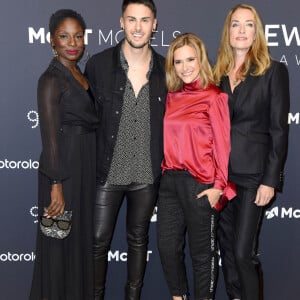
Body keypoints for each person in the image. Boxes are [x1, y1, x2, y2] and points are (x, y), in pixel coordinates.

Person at [84, 0, 167, 299]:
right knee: (97, 242)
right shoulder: (99, 64)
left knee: (138, 241)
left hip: (146, 176)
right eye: (131, 19)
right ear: (121, 22)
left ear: (154, 24)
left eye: (145, 20)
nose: (137, 26)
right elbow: (85, 119)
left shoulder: (165, 70)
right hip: (107, 173)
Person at [213, 4, 290, 300]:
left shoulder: (273, 71)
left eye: (248, 25)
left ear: (256, 32)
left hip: (254, 176)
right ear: (228, 32)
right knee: (228, 251)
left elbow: (279, 130)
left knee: (244, 252)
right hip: (221, 178)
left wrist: (270, 180)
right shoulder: (216, 73)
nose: (241, 30)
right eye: (236, 24)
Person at [157, 33, 235, 300]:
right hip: (169, 183)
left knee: (202, 255)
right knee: (167, 248)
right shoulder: (171, 96)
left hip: (201, 183)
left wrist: (218, 187)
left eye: (190, 59)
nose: (185, 67)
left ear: (201, 59)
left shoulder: (214, 96)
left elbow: (223, 146)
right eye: (178, 62)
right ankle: (178, 297)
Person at [29, 9, 98, 300]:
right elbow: (49, 135)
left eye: (78, 36)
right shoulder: (51, 79)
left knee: (78, 244)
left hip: (84, 166)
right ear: (51, 40)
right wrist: (56, 186)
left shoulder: (78, 73)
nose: (73, 42)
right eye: (64, 36)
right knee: (59, 245)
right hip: (63, 171)